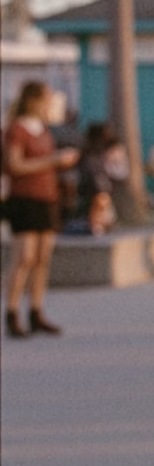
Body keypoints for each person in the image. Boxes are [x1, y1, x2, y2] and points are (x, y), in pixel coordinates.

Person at [4, 81, 80, 337]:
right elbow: (15, 165)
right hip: (24, 199)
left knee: (42, 259)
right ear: (34, 100)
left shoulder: (44, 130)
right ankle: (12, 311)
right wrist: (53, 160)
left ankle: (37, 310)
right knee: (23, 257)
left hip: (47, 197)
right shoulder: (17, 129)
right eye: (47, 98)